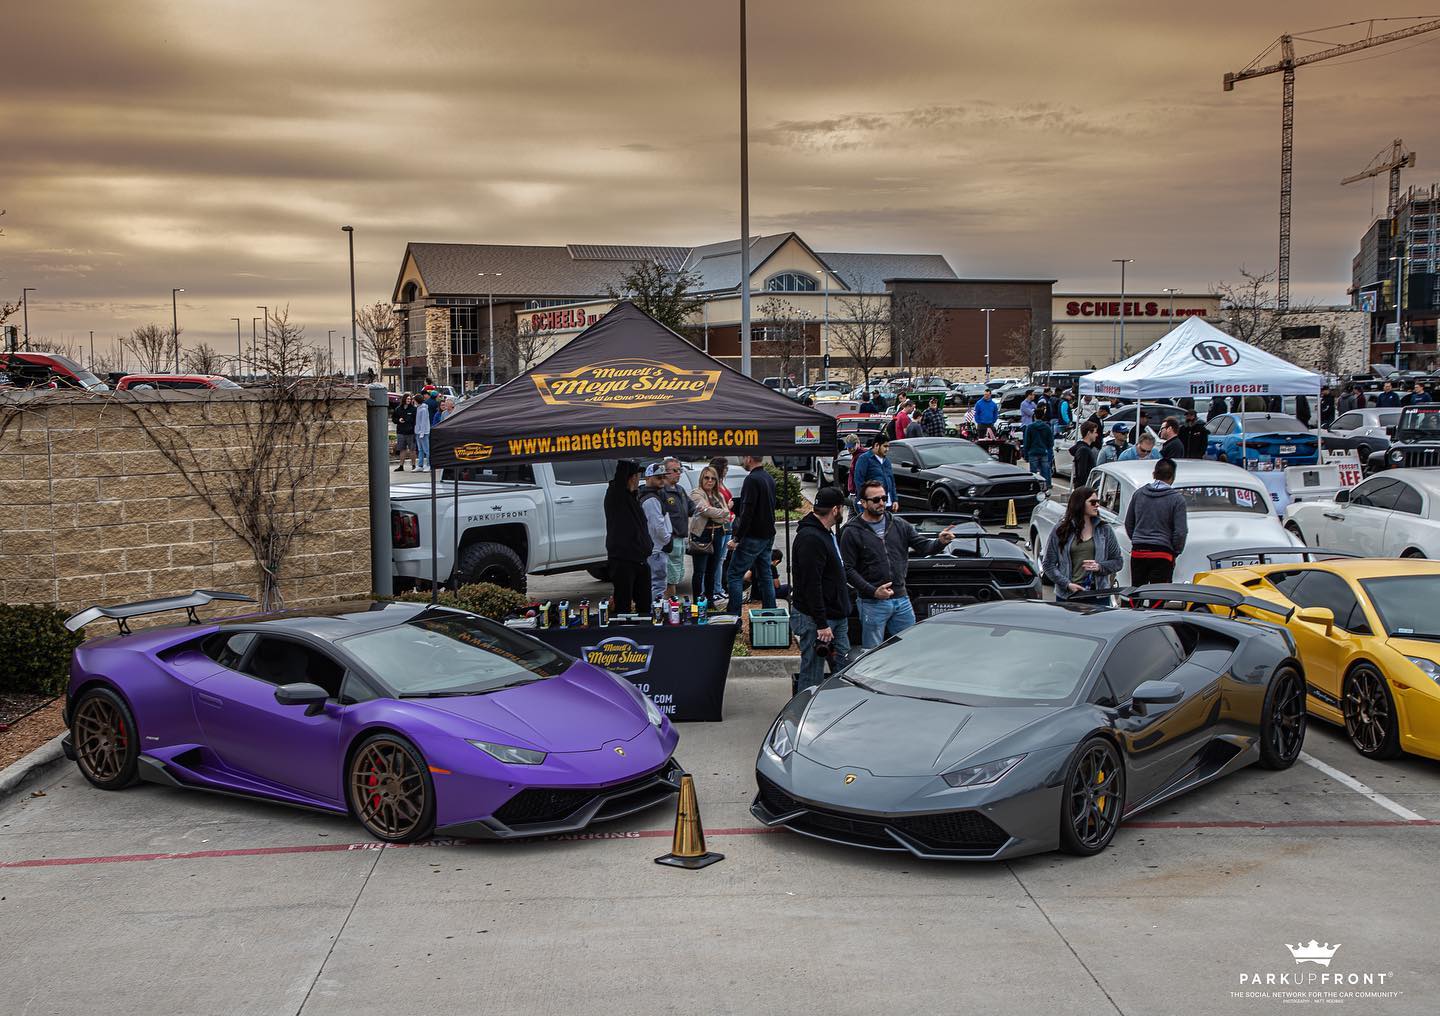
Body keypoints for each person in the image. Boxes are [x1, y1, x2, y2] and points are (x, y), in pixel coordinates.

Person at [840, 479, 956, 647]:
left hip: (901, 599)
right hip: (871, 603)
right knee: (872, 653)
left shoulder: (899, 524)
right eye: (876, 500)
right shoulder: (851, 531)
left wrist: (940, 542)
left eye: (884, 498)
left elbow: (924, 547)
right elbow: (847, 569)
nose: (881, 503)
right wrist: (873, 592)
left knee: (909, 647)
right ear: (863, 503)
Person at [789, 486, 852, 692]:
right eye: (842, 508)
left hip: (836, 614)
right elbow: (811, 584)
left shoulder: (825, 533)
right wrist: (821, 623)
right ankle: (804, 715)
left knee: (845, 665)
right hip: (816, 619)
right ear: (835, 509)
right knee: (812, 672)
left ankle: (839, 707)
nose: (842, 512)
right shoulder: (811, 538)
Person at [1041, 485, 1123, 601]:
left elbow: (1118, 562)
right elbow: (1048, 564)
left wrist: (1099, 567)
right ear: (1080, 504)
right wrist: (1067, 584)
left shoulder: (1104, 529)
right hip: (1068, 595)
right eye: (1092, 502)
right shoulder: (1061, 529)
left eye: (1098, 502)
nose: (1097, 505)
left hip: (1098, 595)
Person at [1124, 457, 1188, 586]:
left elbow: (1129, 523)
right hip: (1163, 552)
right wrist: (1175, 551)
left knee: (1136, 592)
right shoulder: (1177, 499)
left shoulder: (1139, 494)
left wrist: (1138, 539)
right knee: (1158, 595)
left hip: (1138, 551)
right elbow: (1180, 532)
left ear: (1154, 474)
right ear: (1172, 477)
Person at [726, 454, 777, 610]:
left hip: (753, 536)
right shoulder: (768, 478)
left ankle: (734, 616)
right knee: (765, 574)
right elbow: (760, 503)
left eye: (743, 458)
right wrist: (736, 503)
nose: (743, 461)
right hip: (768, 534)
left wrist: (736, 538)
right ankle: (770, 611)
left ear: (748, 458)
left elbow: (748, 511)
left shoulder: (751, 479)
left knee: (734, 575)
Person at [603, 460, 651, 614]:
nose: (639, 479)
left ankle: (645, 628)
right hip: (623, 559)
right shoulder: (616, 494)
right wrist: (625, 457)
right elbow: (620, 476)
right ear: (630, 477)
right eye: (637, 476)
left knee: (645, 603)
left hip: (641, 558)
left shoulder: (632, 496)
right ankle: (622, 631)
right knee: (623, 603)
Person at [688, 464, 730, 604]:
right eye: (707, 478)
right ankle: (696, 605)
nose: (710, 481)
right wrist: (721, 513)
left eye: (713, 478)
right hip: (701, 535)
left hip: (718, 533)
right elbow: (706, 511)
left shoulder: (718, 495)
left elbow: (726, 516)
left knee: (712, 570)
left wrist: (718, 513)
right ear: (702, 479)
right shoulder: (696, 493)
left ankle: (710, 602)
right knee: (700, 572)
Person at [638, 462, 674, 601]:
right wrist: (667, 539)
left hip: (656, 547)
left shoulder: (653, 495)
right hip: (657, 549)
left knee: (656, 584)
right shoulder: (651, 499)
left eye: (663, 477)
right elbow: (656, 526)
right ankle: (655, 613)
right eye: (658, 477)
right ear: (648, 477)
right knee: (658, 585)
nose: (662, 480)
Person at [661, 457, 692, 598]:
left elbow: (692, 508)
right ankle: (667, 607)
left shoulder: (680, 490)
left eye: (680, 470)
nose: (679, 473)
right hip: (670, 540)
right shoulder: (661, 491)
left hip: (681, 539)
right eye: (675, 470)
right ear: (665, 472)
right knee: (669, 580)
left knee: (677, 575)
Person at [709, 456, 735, 606]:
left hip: (728, 524)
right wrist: (729, 507)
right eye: (725, 468)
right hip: (720, 525)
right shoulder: (714, 485)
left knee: (721, 560)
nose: (727, 470)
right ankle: (715, 589)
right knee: (717, 560)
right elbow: (715, 507)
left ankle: (718, 588)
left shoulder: (722, 483)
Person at [851, 435, 897, 513]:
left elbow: (892, 482)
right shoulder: (864, 459)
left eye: (888, 447)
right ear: (876, 445)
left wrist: (895, 500)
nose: (887, 449)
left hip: (887, 504)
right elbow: (859, 481)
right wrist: (865, 501)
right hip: (870, 505)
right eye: (885, 446)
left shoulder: (887, 461)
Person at [1022, 411, 1054, 490]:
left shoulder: (1030, 427)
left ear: (1035, 416)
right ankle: (1046, 486)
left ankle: (1034, 487)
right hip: (1043, 451)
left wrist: (1025, 455)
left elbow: (1027, 442)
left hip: (1033, 452)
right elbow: (1051, 442)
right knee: (1045, 470)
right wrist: (1047, 447)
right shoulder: (1047, 427)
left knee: (1033, 472)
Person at [1070, 420, 1100, 488]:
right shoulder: (1084, 450)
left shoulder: (1084, 448)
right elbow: (1082, 474)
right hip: (1084, 489)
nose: (1097, 435)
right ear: (1089, 433)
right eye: (1095, 432)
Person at [392, 393, 418, 471]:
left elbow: (416, 421)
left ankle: (414, 466)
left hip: (411, 432)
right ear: (404, 399)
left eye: (410, 399)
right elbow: (394, 419)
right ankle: (401, 466)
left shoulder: (414, 409)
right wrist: (398, 420)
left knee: (412, 450)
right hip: (401, 432)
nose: (409, 400)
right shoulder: (398, 409)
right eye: (407, 399)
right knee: (402, 449)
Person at [413, 390, 432, 471]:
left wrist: (422, 433)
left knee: (426, 449)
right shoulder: (418, 408)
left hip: (424, 432)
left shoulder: (423, 409)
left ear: (417, 401)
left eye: (414, 400)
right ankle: (420, 465)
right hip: (418, 431)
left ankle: (428, 464)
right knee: (420, 449)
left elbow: (424, 422)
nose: (413, 401)